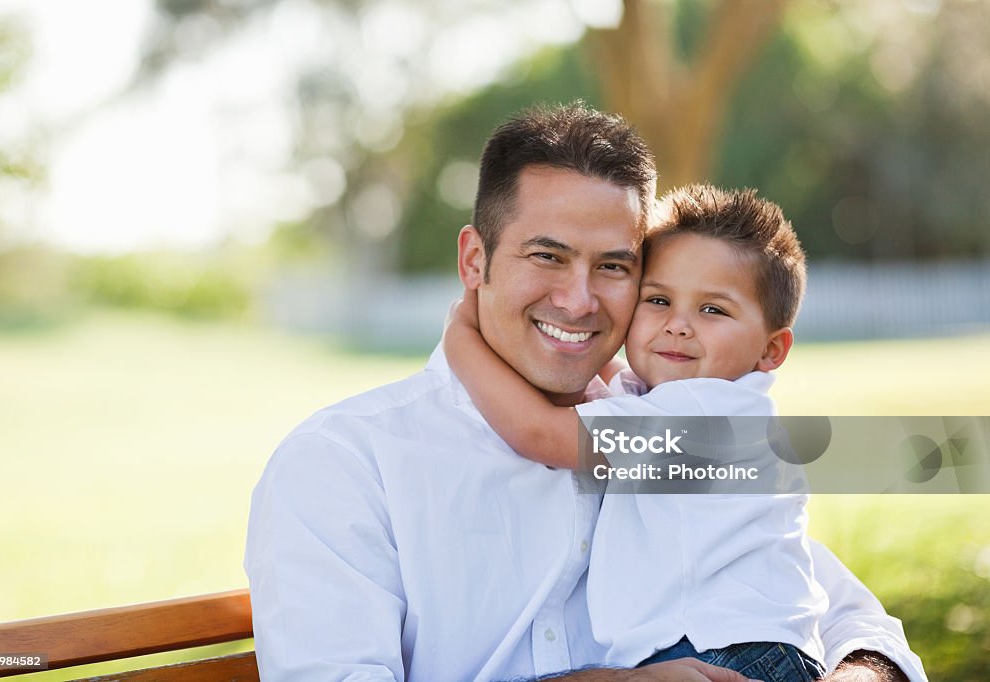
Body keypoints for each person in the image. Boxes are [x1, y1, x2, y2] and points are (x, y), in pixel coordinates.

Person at [244, 103, 926, 681]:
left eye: (613, 267)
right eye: (547, 256)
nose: (577, 300)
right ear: (473, 261)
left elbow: (851, 617)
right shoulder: (342, 466)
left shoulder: (657, 421)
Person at [443, 184, 826, 681]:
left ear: (771, 350)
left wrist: (462, 337)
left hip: (723, 652)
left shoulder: (703, 414)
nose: (677, 325)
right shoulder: (684, 401)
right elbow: (609, 380)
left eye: (713, 310)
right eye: (658, 300)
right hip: (742, 645)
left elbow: (538, 432)